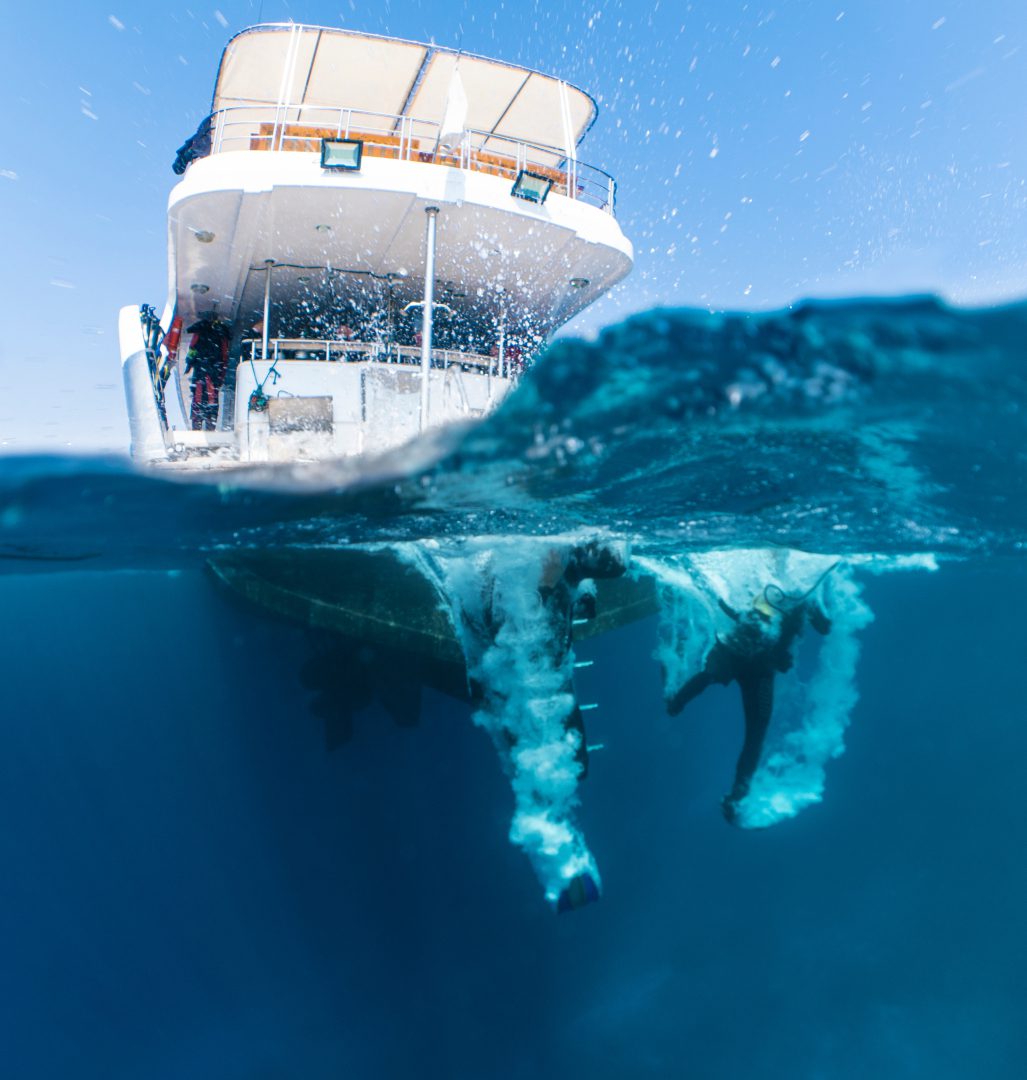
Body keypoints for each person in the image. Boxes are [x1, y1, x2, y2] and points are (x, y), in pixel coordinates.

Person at [665, 583, 832, 823]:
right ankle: (676, 702)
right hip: (746, 656)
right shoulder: (791, 587)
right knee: (751, 728)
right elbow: (823, 626)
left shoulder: (800, 589)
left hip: (753, 662)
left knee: (753, 729)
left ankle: (738, 794)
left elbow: (823, 626)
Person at [184, 313, 230, 430]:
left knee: (199, 396)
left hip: (201, 370)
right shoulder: (222, 334)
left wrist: (189, 363)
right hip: (213, 371)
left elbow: (192, 349)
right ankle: (209, 421)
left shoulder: (199, 332)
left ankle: (199, 422)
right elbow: (225, 355)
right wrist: (221, 372)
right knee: (211, 397)